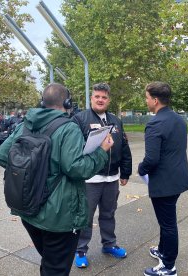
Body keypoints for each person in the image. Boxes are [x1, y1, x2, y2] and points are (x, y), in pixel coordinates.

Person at [0, 83, 114, 276]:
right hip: (59, 216)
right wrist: (101, 152)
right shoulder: (69, 128)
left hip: (28, 208)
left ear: (43, 102)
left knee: (50, 262)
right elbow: (77, 168)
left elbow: (2, 155)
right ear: (67, 102)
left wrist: (33, 174)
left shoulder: (25, 124)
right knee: (57, 268)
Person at [72, 83, 132, 268]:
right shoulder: (79, 119)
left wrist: (126, 172)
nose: (100, 100)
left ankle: (109, 245)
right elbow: (73, 149)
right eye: (97, 96)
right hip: (90, 178)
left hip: (112, 178)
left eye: (104, 97)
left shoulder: (115, 120)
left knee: (108, 214)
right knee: (85, 216)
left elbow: (124, 147)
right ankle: (80, 250)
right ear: (91, 98)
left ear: (108, 100)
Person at [138, 82, 188, 276]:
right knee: (165, 221)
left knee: (168, 224)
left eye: (147, 98)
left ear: (155, 100)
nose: (146, 101)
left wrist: (140, 168)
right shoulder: (179, 120)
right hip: (178, 179)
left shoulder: (155, 123)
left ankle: (169, 266)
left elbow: (151, 159)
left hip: (164, 183)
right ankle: (162, 250)